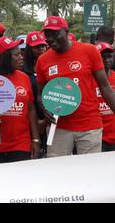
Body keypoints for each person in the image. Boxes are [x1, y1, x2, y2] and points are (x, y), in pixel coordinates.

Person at [36, 16, 115, 157]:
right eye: (47, 35)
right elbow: (40, 94)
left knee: (89, 171)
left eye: (55, 33)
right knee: (58, 172)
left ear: (66, 32)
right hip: (58, 127)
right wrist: (44, 108)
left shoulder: (90, 51)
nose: (50, 38)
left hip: (89, 126)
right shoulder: (43, 61)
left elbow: (105, 87)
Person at [0, 37, 41, 164]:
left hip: (20, 142)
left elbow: (31, 110)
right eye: (16, 55)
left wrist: (36, 140)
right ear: (5, 57)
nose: (21, 57)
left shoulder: (24, 78)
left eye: (20, 53)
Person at [22, 31, 49, 157]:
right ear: (29, 49)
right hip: (30, 122)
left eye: (43, 46)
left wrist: (45, 121)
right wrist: (36, 123)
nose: (41, 49)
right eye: (37, 47)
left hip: (49, 119)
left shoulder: (49, 67)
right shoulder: (22, 71)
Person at [94, 42, 115, 152]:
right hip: (97, 138)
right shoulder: (89, 80)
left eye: (109, 56)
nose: (107, 60)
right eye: (103, 57)